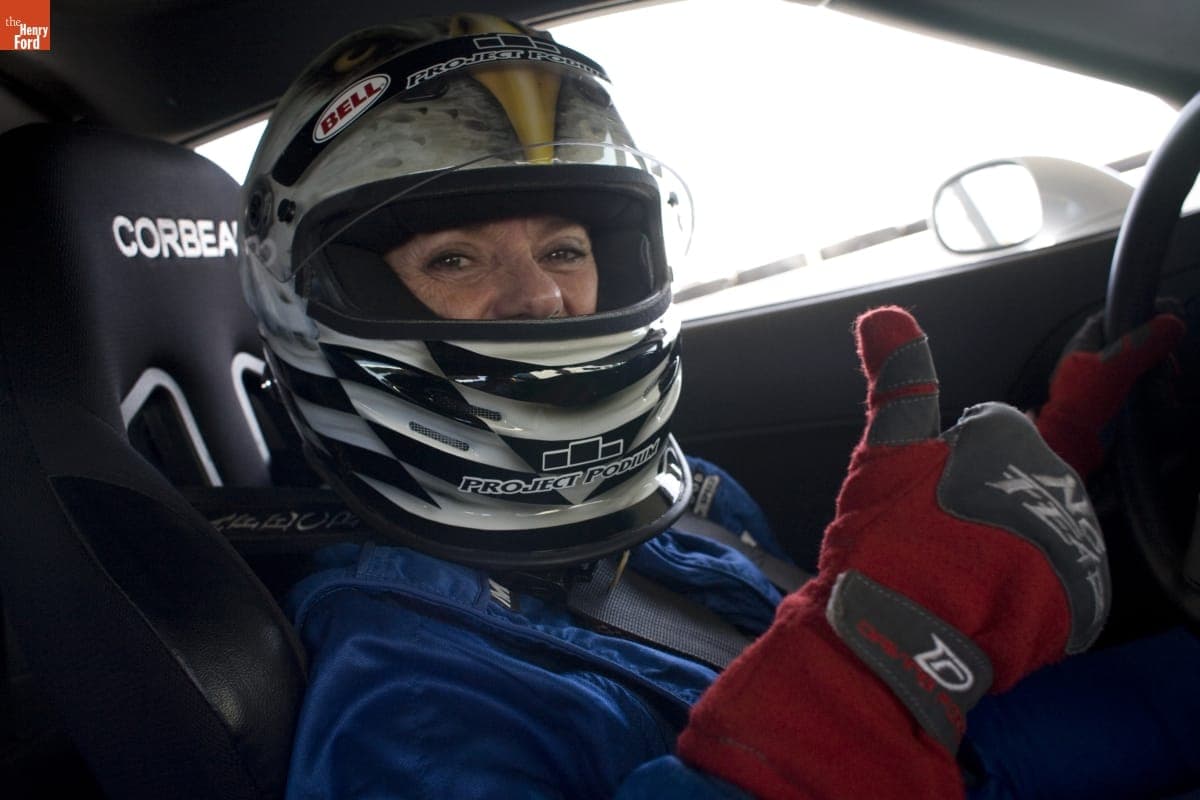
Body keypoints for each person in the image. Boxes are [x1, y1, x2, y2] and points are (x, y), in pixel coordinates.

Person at [238, 12, 1196, 798]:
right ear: (328, 299)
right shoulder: (405, 687)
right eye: (455, 258)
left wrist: (1061, 458)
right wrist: (870, 671)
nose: (542, 299)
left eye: (566, 248)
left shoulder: (674, 501)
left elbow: (805, 660)